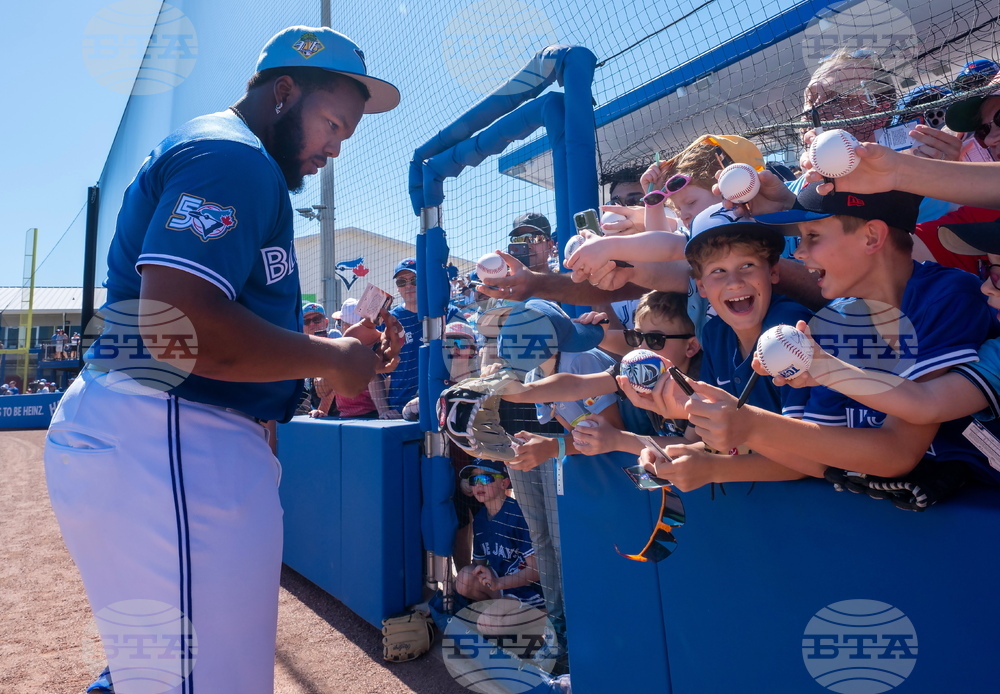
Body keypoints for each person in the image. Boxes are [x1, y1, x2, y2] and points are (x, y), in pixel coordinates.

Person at [45, 25, 401, 694]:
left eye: (346, 135)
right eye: (331, 123)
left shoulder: (241, 163)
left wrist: (348, 353)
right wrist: (334, 357)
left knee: (161, 674)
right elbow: (177, 329)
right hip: (169, 435)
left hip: (170, 439)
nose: (334, 146)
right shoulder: (232, 157)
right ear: (284, 92)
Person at [677, 186, 992, 503]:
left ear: (871, 237)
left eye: (812, 236)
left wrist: (749, 427)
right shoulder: (834, 321)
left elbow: (898, 453)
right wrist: (736, 431)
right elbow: (815, 459)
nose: (798, 253)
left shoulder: (944, 296)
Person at [630, 204, 815, 490]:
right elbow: (699, 438)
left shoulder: (790, 330)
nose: (734, 282)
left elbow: (808, 460)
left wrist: (715, 468)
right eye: (718, 270)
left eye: (747, 265)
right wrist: (668, 454)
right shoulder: (716, 334)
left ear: (774, 272)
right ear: (701, 287)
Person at [455, 462, 546, 636]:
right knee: (464, 579)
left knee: (486, 625)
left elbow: (536, 571)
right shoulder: (480, 519)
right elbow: (478, 564)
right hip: (503, 588)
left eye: (485, 478)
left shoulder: (518, 514)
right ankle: (502, 614)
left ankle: (542, 617)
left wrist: (497, 583)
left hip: (528, 591)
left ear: (504, 484)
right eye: (474, 480)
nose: (478, 485)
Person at [372, 258, 420, 419]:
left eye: (414, 280)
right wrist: (383, 410)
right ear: (397, 288)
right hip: (399, 412)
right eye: (401, 282)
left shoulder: (446, 314)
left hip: (440, 407)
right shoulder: (387, 320)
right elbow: (373, 370)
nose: (408, 286)